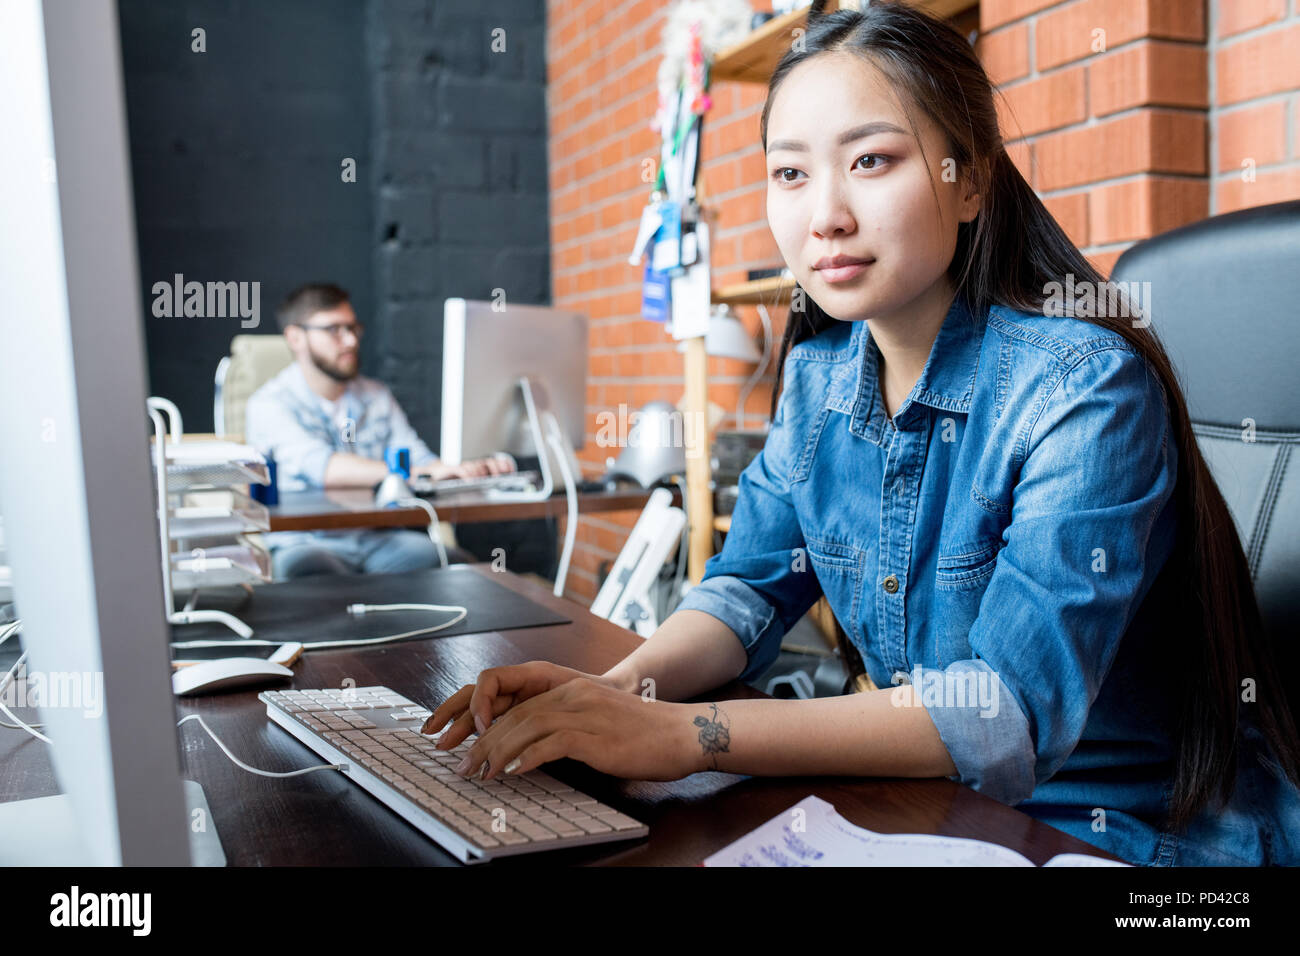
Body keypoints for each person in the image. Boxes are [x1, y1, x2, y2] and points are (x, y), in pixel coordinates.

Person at [417, 2, 1300, 865]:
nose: (824, 216)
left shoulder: (1083, 386)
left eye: (872, 160)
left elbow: (1000, 709)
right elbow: (747, 590)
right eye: (789, 174)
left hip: (1119, 835)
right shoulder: (816, 379)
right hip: (930, 815)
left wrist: (686, 736)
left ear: (972, 180)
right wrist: (611, 695)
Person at [244, 282, 513, 579]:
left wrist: (458, 471)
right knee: (313, 582)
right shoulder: (269, 403)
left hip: (378, 538)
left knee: (464, 573)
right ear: (295, 337)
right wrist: (415, 474)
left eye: (353, 328)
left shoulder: (376, 396)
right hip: (306, 540)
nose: (349, 341)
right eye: (334, 330)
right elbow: (323, 468)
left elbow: (417, 457)